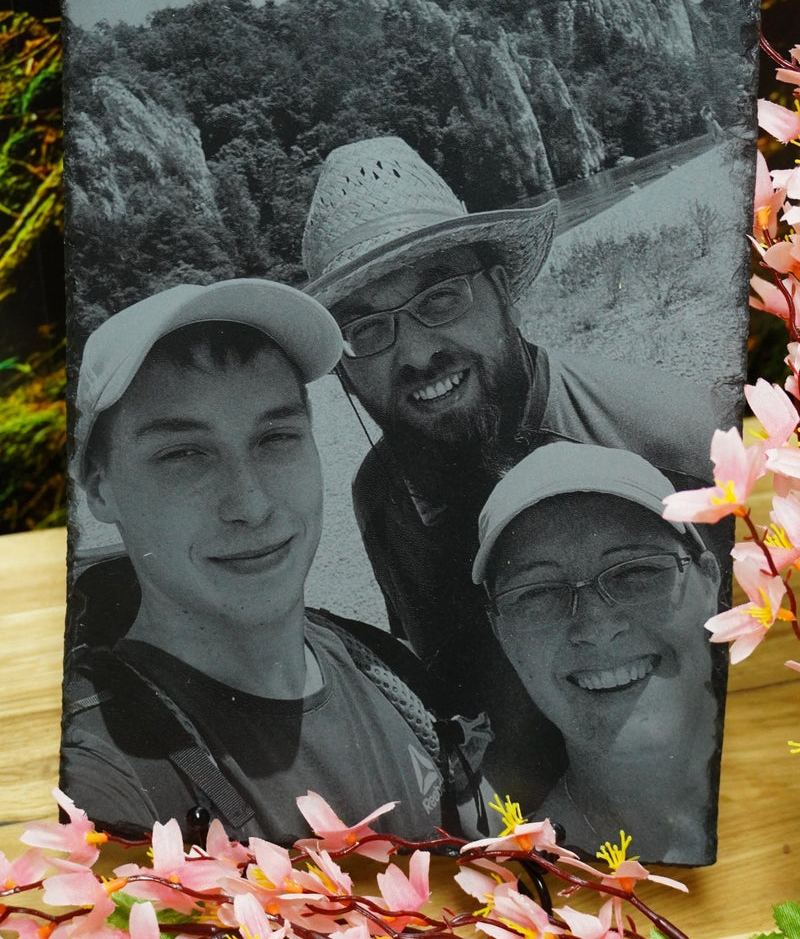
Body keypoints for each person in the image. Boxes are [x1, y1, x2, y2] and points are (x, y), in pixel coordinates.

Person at [302, 135, 724, 802]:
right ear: (340, 364)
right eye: (367, 330)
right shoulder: (384, 498)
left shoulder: (680, 447)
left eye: (440, 299)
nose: (416, 354)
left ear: (501, 291)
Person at [61, 278, 490, 844]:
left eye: (275, 438)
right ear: (99, 488)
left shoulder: (386, 669)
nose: (251, 504)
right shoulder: (98, 774)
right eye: (183, 453)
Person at [472, 442, 722, 865]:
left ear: (710, 582)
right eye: (539, 593)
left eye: (637, 571)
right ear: (502, 635)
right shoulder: (522, 886)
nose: (597, 629)